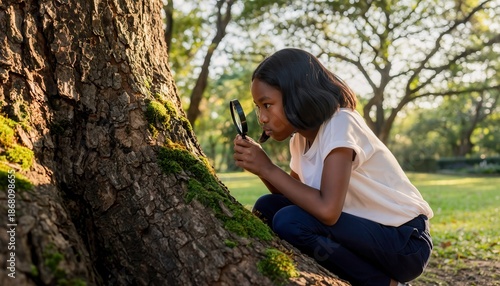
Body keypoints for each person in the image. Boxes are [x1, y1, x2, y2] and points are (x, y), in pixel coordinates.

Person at [232, 48, 433, 286]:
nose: (262, 118)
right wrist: (262, 168)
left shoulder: (340, 123)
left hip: (404, 241)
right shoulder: (299, 141)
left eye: (267, 104)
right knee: (269, 206)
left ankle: (384, 284)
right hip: (364, 234)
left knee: (290, 221)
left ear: (297, 94)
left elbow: (328, 210)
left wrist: (268, 168)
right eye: (258, 108)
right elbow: (295, 196)